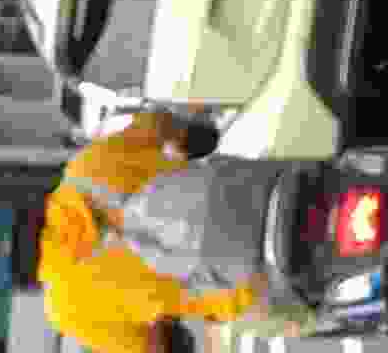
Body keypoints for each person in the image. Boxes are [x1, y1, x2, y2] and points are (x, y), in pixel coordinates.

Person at [35, 109, 267, 353]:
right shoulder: (83, 169)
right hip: (253, 191)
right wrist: (189, 137)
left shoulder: (66, 307)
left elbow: (154, 348)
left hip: (255, 288)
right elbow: (157, 123)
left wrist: (169, 318)